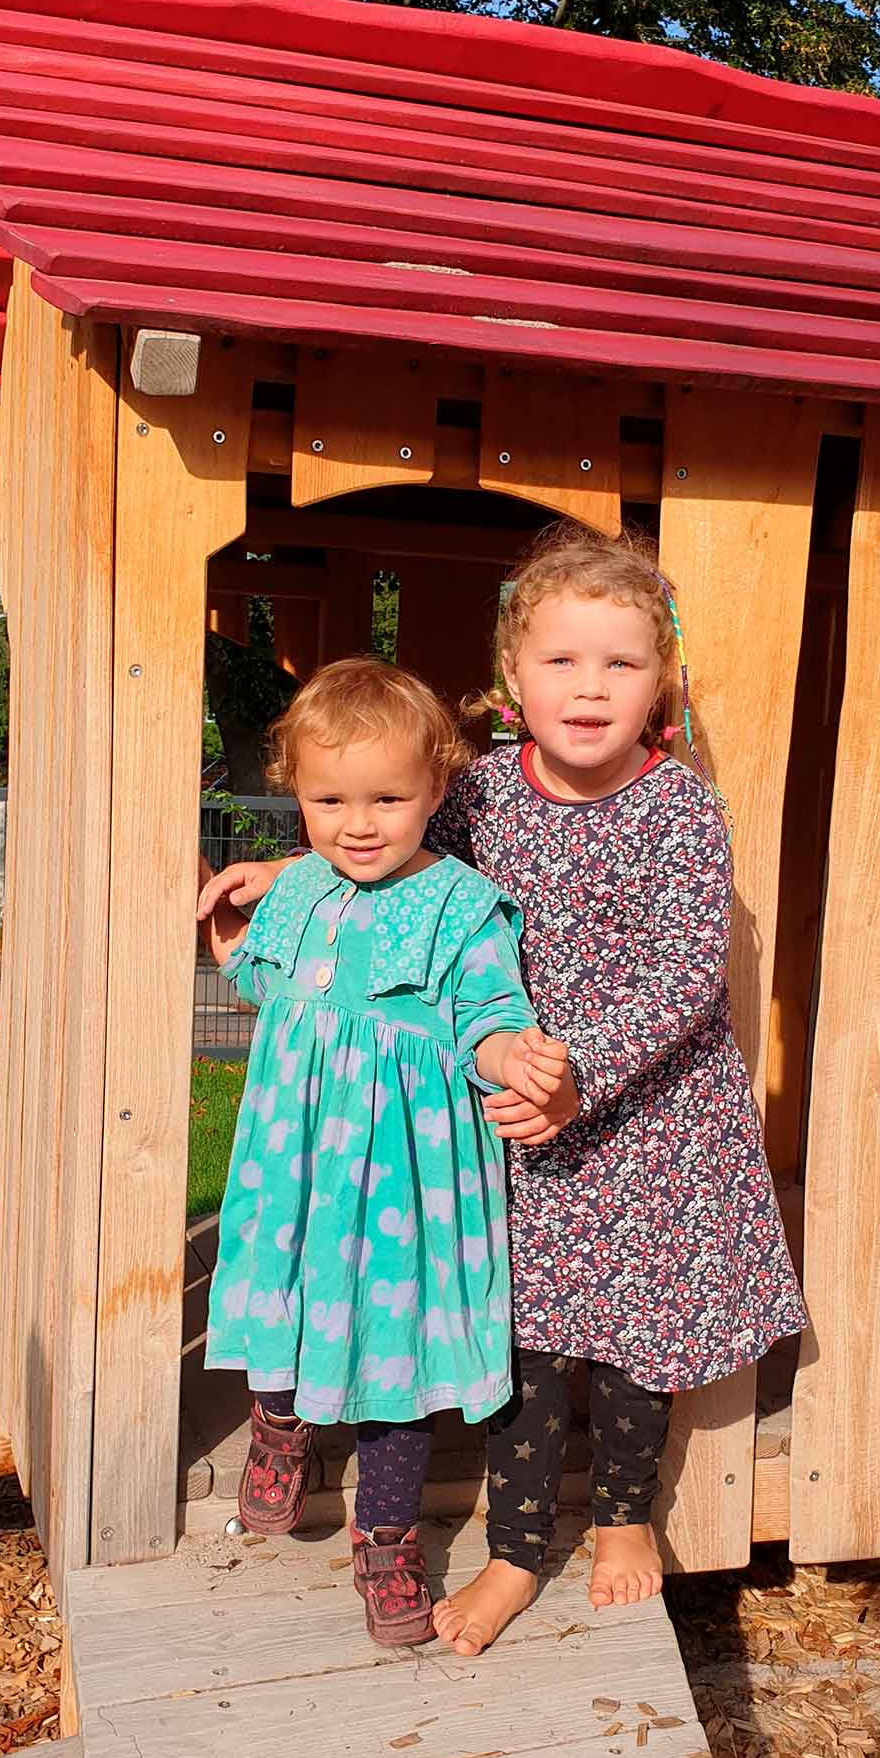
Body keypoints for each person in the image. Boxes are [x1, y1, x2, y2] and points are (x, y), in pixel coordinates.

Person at [203, 527, 805, 1656]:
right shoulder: (479, 793)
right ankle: (520, 1551)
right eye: (562, 663)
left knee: (636, 1338)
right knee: (525, 1339)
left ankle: (626, 1521)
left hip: (649, 1118)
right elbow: (385, 836)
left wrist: (583, 1070)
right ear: (511, 679)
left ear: (659, 680)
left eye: (621, 664)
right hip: (514, 1111)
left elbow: (685, 972)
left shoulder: (681, 812)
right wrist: (292, 870)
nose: (590, 688)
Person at [199, 656, 568, 1646]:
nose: (357, 822)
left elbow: (489, 1011)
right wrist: (234, 942)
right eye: (329, 800)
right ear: (297, 792)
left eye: (388, 798)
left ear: (437, 790)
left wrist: (507, 1053)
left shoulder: (461, 905)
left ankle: (388, 1533)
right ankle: (279, 1424)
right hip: (298, 1167)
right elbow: (270, 993)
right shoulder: (297, 893)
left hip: (409, 1181)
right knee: (280, 1292)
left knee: (395, 1357)